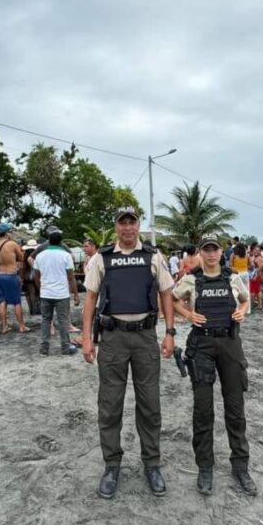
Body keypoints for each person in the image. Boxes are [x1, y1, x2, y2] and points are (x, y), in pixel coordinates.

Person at [81, 206, 175, 499]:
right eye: (122, 223)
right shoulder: (102, 258)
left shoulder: (153, 256)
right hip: (112, 338)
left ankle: (152, 464)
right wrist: (87, 337)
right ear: (116, 227)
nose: (127, 228)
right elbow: (91, 298)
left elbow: (166, 294)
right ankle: (111, 466)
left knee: (150, 405)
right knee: (110, 406)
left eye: (132, 222)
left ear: (138, 226)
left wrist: (170, 332)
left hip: (145, 337)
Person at [171, 233, 256, 496]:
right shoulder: (191, 279)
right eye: (206, 250)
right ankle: (205, 467)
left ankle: (240, 466)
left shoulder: (232, 277)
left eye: (214, 250)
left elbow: (245, 299)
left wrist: (242, 311)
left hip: (230, 345)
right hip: (202, 346)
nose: (210, 254)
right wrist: (187, 313)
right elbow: (172, 300)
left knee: (235, 408)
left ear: (221, 252)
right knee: (203, 410)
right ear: (199, 253)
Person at [33, 227, 80, 356]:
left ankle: (44, 349)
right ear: (61, 242)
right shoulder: (66, 255)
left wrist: (40, 287)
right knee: (63, 320)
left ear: (49, 241)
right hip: (62, 294)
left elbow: (35, 275)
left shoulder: (40, 255)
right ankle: (65, 348)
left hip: (45, 293)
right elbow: (71, 277)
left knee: (45, 320)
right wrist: (75, 294)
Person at [0, 223, 26, 334]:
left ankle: (4, 326)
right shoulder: (12, 244)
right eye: (10, 232)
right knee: (16, 301)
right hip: (10, 275)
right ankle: (21, 326)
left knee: (2, 301)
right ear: (7, 233)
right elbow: (21, 258)